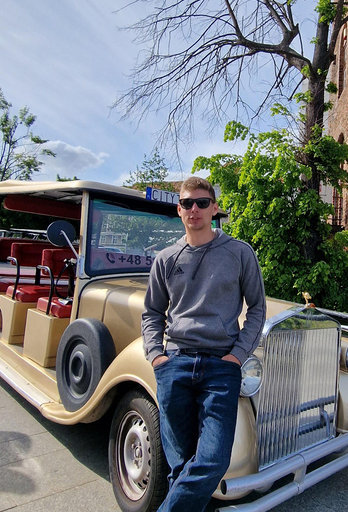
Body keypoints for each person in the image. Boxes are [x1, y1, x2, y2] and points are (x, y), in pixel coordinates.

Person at [142, 176, 267, 512]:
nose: (193, 209)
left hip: (220, 368)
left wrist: (237, 355)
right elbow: (152, 312)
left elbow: (257, 308)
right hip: (175, 363)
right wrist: (156, 356)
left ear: (214, 208)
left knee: (211, 461)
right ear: (179, 209)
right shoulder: (166, 258)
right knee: (180, 466)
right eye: (186, 203)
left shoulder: (240, 253)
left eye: (201, 203)